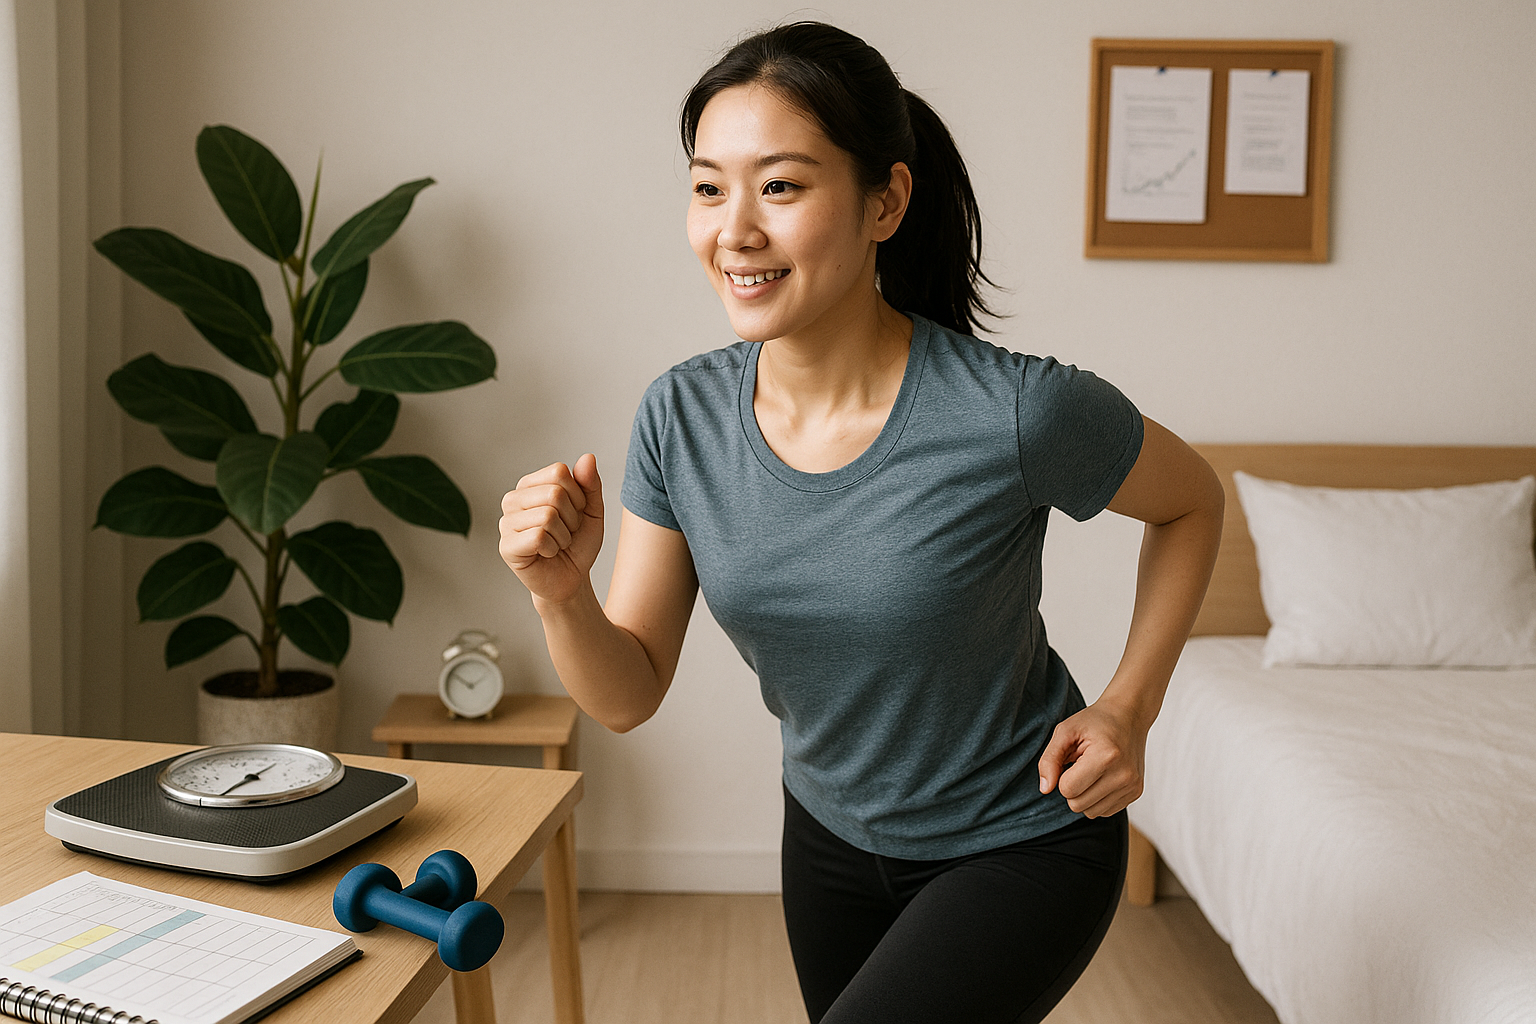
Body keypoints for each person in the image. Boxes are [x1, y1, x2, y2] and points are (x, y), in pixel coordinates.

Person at [499, 21, 1224, 1024]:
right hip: (829, 841)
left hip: (1020, 839)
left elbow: (1193, 501)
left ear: (885, 200)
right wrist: (560, 592)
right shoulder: (682, 416)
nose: (735, 229)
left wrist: (1127, 708)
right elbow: (626, 693)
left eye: (782, 186)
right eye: (709, 186)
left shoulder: (1017, 411)